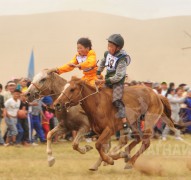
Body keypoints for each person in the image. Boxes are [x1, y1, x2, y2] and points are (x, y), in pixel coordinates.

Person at [96, 34, 131, 130]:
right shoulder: (108, 54)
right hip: (107, 80)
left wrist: (104, 81)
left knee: (116, 100)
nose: (109, 48)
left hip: (117, 82)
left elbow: (118, 76)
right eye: (108, 45)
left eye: (111, 46)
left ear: (118, 48)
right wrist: (99, 71)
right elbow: (103, 62)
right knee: (98, 96)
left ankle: (124, 121)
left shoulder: (122, 59)